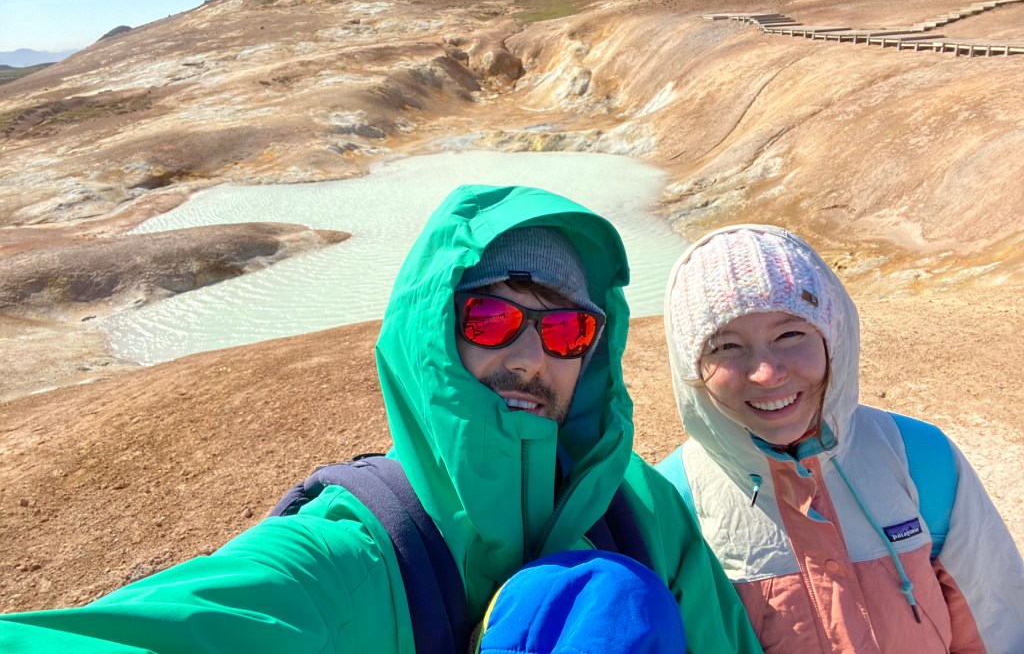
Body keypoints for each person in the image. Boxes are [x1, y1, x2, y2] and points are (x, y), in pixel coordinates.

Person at [0, 184, 761, 653]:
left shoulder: (640, 509)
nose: (532, 357)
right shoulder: (348, 559)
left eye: (566, 330)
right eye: (492, 319)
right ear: (432, 334)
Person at [656, 224, 1024, 653]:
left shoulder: (921, 458)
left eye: (790, 334)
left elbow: (998, 627)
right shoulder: (671, 502)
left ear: (832, 336)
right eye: (725, 347)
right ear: (691, 365)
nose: (767, 373)